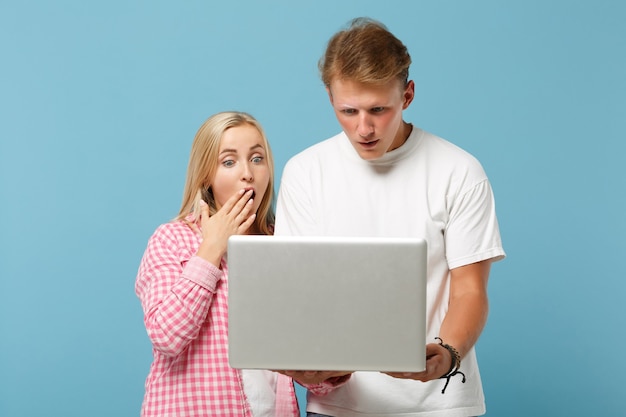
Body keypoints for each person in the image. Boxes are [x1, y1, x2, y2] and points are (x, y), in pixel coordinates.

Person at [275, 18, 506, 417]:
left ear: (408, 95)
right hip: (337, 405)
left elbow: (469, 290)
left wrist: (446, 355)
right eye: (348, 111)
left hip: (440, 405)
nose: (363, 128)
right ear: (330, 97)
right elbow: (301, 293)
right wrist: (301, 360)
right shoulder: (305, 171)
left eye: (378, 110)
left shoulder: (459, 171)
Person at [135, 111, 299, 417]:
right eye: (229, 161)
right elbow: (167, 335)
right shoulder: (172, 240)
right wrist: (212, 248)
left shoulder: (285, 243)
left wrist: (326, 376)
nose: (247, 173)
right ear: (205, 175)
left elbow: (309, 346)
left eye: (257, 158)